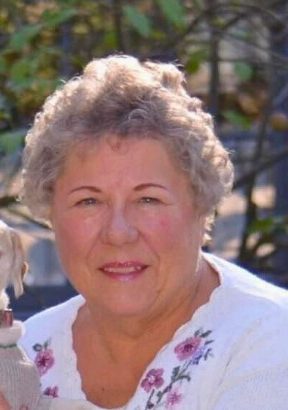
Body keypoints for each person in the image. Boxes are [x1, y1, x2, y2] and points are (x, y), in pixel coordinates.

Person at [16, 55, 288, 409]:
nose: (118, 233)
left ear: (202, 205)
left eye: (147, 199)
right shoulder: (23, 358)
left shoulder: (271, 340)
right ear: (50, 212)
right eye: (88, 202)